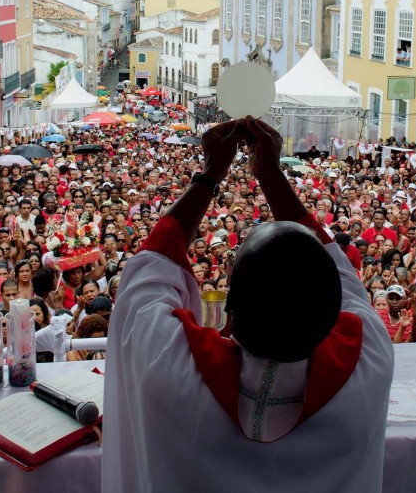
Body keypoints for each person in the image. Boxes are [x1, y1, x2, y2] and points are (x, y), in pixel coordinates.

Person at [103, 118, 393, 491]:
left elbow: (150, 265)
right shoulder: (371, 359)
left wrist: (211, 173)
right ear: (331, 310)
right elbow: (334, 264)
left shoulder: (165, 365)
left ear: (230, 306)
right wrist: (270, 174)